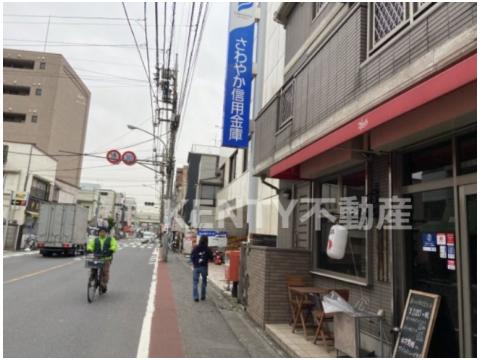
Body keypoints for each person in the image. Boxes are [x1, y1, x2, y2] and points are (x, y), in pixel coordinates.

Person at [86, 226, 118, 293]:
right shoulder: (95, 239)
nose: (102, 233)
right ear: (98, 233)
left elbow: (114, 245)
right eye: (100, 232)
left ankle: (104, 285)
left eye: (103, 232)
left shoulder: (110, 239)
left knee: (105, 271)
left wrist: (111, 250)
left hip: (106, 258)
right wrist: (89, 249)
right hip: (96, 257)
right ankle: (92, 279)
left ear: (106, 233)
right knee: (93, 269)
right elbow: (90, 245)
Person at [190, 235, 213, 302]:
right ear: (206, 241)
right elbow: (211, 258)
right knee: (204, 282)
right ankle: (203, 296)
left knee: (195, 282)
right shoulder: (207, 248)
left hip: (196, 267)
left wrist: (194, 263)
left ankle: (196, 297)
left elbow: (192, 256)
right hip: (204, 267)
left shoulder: (196, 248)